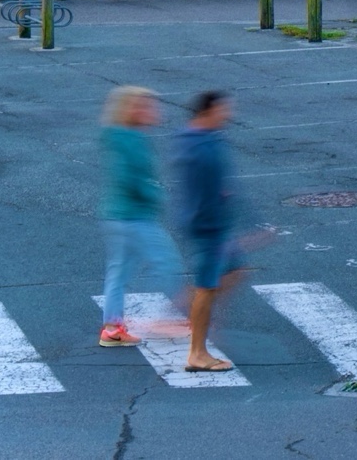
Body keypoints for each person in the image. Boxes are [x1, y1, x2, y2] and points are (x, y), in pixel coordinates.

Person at [98, 86, 185, 347]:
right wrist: (155, 194)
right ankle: (175, 317)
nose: (153, 110)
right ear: (130, 110)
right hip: (135, 216)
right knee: (168, 263)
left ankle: (112, 328)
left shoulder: (122, 136)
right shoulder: (130, 140)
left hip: (117, 215)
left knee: (119, 273)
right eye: (146, 106)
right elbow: (128, 178)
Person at [175, 90, 247, 373]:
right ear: (208, 111)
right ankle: (197, 353)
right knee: (206, 288)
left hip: (215, 226)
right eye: (223, 110)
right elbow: (200, 192)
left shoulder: (205, 140)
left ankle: (194, 314)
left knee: (234, 270)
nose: (228, 115)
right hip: (209, 228)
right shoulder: (199, 147)